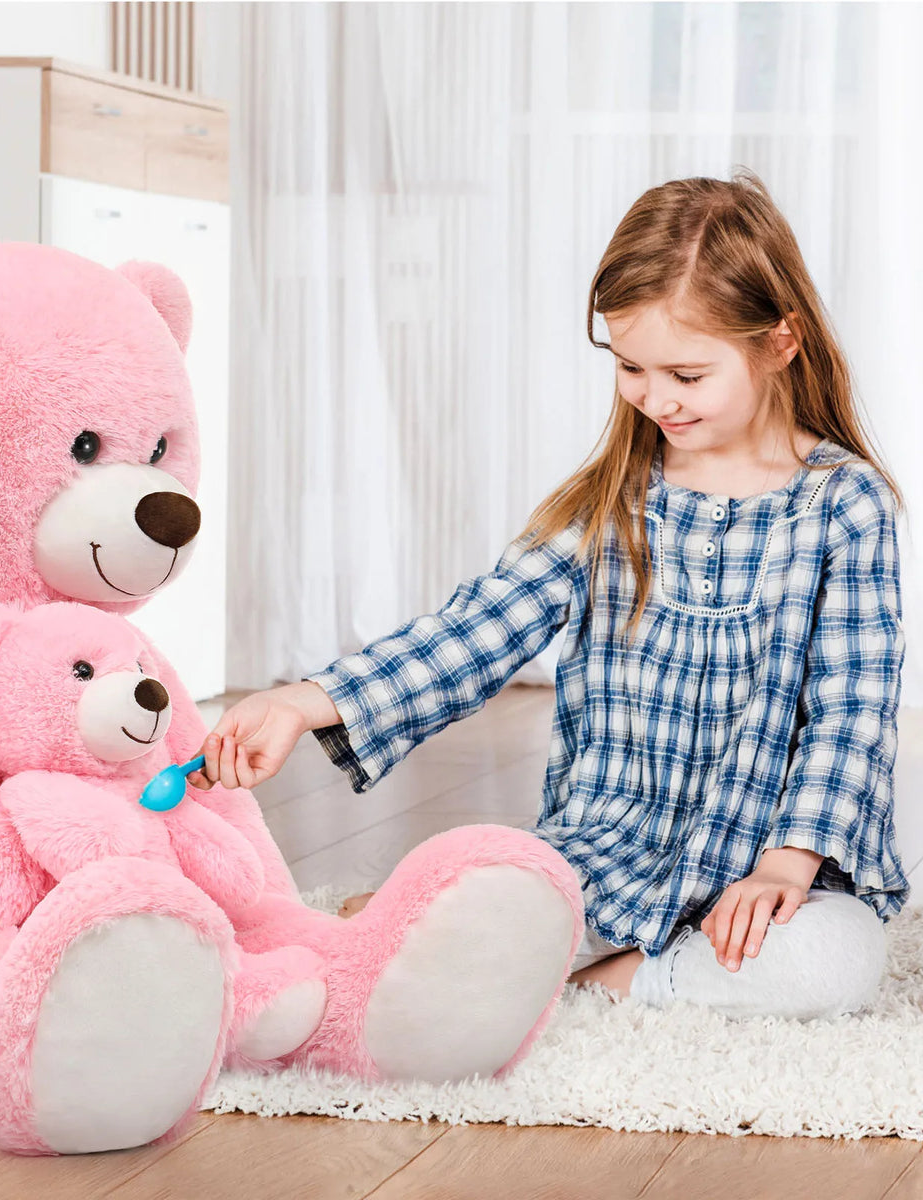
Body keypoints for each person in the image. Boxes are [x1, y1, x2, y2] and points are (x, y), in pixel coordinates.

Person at [190, 170, 907, 1021]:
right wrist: (305, 703)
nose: (656, 398)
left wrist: (786, 863)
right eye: (632, 367)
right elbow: (480, 629)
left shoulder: (844, 502)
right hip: (609, 849)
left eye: (686, 373)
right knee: (485, 910)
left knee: (836, 963)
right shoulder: (612, 501)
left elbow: (852, 707)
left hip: (769, 860)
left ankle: (579, 991)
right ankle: (502, 956)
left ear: (780, 343)